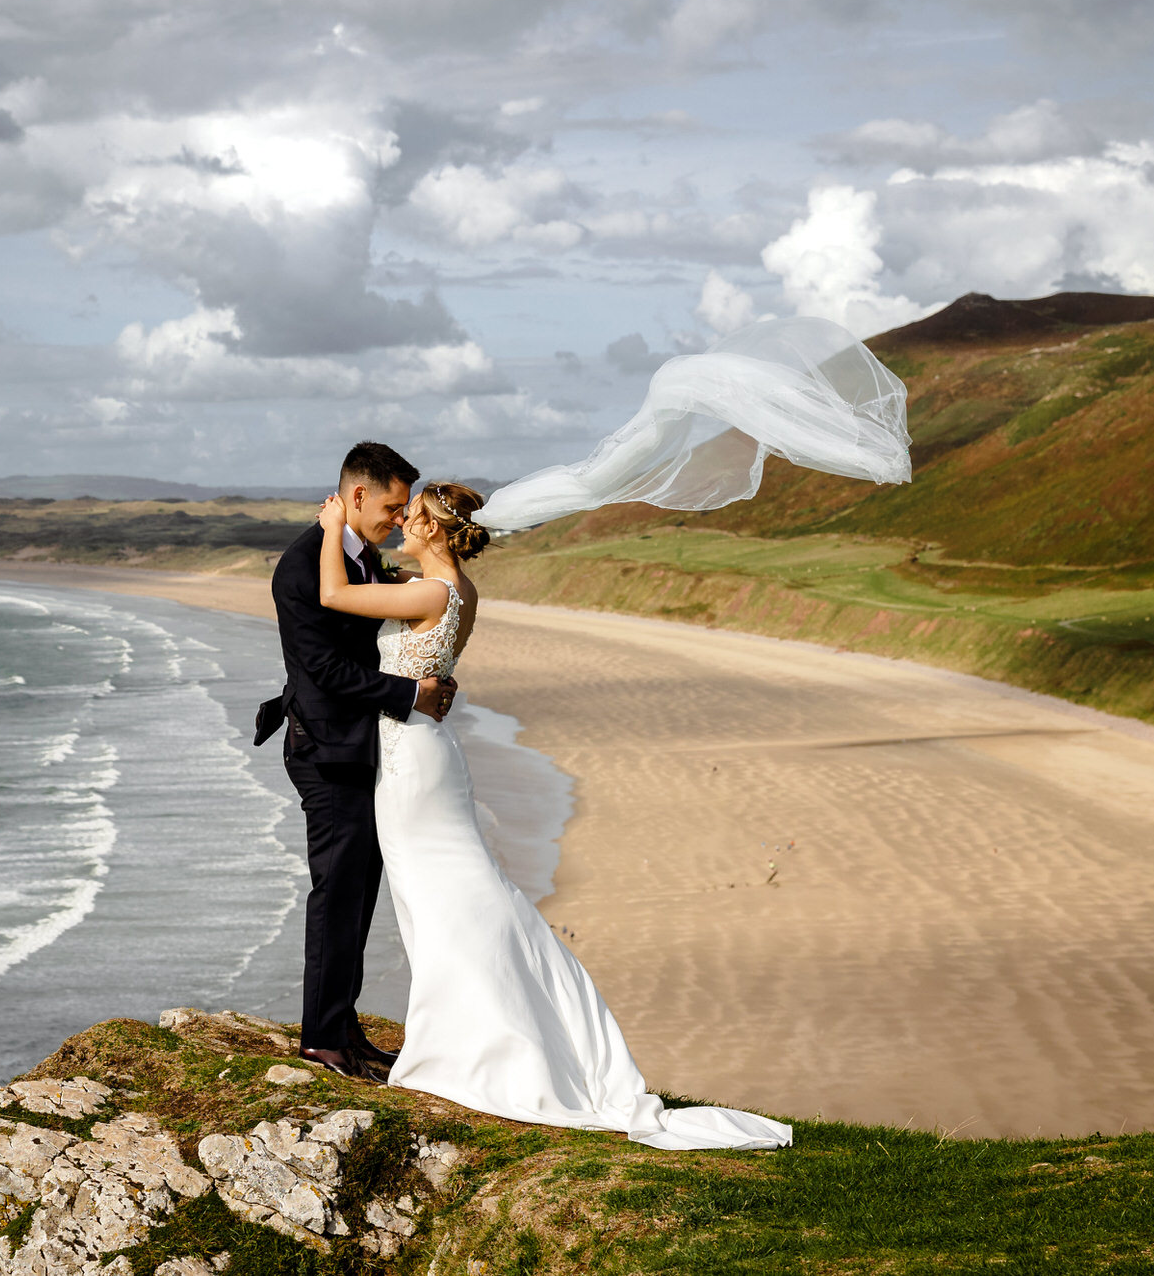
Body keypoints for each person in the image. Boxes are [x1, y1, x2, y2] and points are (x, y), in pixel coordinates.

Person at [310, 480, 793, 1150]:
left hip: (414, 766)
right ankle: (476, 1028)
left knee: (450, 897)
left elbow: (335, 594)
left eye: (412, 518)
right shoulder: (457, 590)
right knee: (456, 895)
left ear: (436, 532)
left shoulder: (428, 591)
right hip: (424, 756)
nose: (401, 526)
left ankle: (477, 1040)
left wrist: (334, 526)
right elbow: (387, 587)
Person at [255, 441, 457, 1078]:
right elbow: (323, 668)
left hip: (364, 746)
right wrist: (411, 693)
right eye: (392, 507)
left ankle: (345, 1028)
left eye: (406, 510)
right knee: (336, 894)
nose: (398, 520)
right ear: (357, 495)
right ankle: (321, 1039)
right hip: (326, 751)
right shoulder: (299, 566)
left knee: (357, 894)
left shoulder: (361, 554)